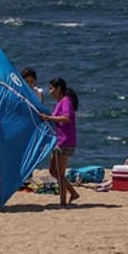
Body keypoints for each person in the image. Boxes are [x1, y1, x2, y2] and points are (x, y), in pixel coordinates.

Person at [40, 77, 80, 206]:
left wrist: (49, 117)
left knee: (60, 173)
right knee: (53, 171)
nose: (50, 91)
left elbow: (67, 118)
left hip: (65, 141)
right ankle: (73, 192)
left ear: (59, 89)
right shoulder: (59, 102)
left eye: (52, 88)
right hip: (59, 141)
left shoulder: (66, 101)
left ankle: (63, 201)